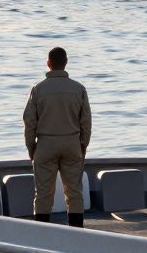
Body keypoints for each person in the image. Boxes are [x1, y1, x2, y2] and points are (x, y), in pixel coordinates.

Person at [23, 46, 92, 227]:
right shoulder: (79, 89)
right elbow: (86, 122)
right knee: (74, 192)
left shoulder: (38, 89)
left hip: (45, 144)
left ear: (48, 64)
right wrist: (83, 145)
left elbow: (29, 122)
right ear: (66, 63)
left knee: (44, 193)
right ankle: (76, 232)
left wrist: (31, 147)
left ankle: (42, 234)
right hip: (72, 142)